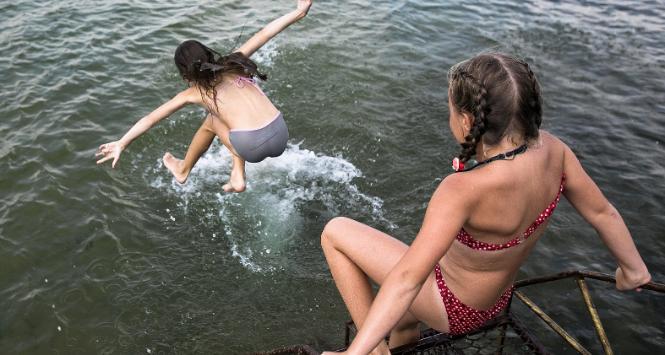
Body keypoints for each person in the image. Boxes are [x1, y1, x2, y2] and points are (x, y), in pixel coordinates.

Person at [320, 53, 652, 355]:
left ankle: (372, 352)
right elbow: (602, 212)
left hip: (453, 305)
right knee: (404, 320)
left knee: (336, 232)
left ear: (467, 120)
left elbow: (408, 279)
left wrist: (354, 353)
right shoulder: (556, 151)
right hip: (494, 299)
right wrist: (633, 270)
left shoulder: (463, 189)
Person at [96, 0, 313, 193]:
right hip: (280, 133)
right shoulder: (234, 62)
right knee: (224, 116)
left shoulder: (193, 93)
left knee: (212, 120)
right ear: (208, 54)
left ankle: (185, 170)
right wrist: (299, 12)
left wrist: (122, 143)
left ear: (184, 74)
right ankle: (236, 172)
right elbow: (266, 33)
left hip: (252, 146)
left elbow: (151, 119)